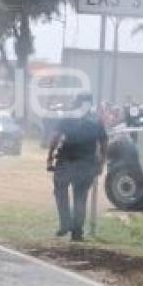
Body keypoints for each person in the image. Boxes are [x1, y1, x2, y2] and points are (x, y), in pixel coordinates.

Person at [47, 92, 107, 242]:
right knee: (80, 197)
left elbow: (55, 137)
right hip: (86, 163)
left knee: (60, 190)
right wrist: (101, 163)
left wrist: (49, 157)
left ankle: (65, 223)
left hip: (66, 161)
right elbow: (104, 142)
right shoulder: (96, 120)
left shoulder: (68, 117)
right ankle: (77, 231)